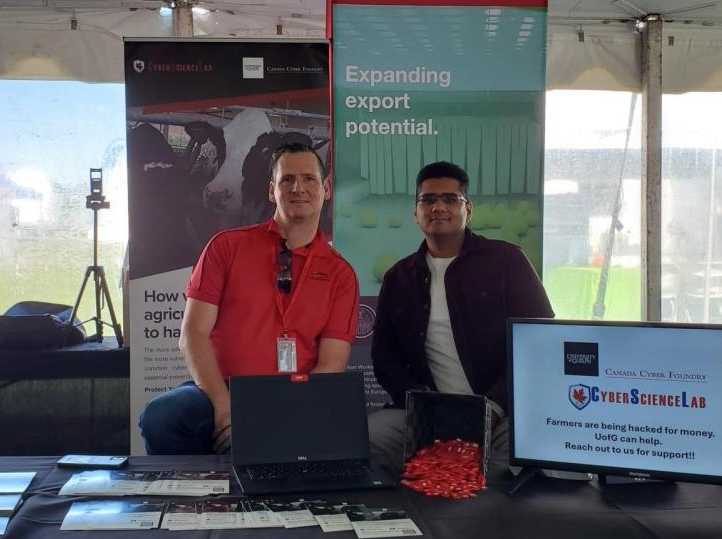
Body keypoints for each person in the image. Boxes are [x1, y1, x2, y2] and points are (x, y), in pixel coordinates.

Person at [139, 142, 360, 455]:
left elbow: (331, 365)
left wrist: (267, 420)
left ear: (326, 189)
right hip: (223, 389)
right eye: (287, 179)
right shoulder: (225, 247)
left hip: (297, 396)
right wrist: (223, 405)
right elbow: (193, 335)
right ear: (272, 191)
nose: (299, 187)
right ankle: (187, 499)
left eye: (309, 179)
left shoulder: (341, 274)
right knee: (163, 416)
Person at [369, 161, 554, 469]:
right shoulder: (399, 277)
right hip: (425, 410)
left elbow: (539, 341)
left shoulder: (507, 261)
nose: (438, 207)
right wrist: (423, 404)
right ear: (415, 213)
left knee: (513, 460)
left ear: (469, 209)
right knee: (369, 440)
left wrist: (494, 404)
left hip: (503, 412)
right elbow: (384, 358)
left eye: (450, 199)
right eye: (427, 199)